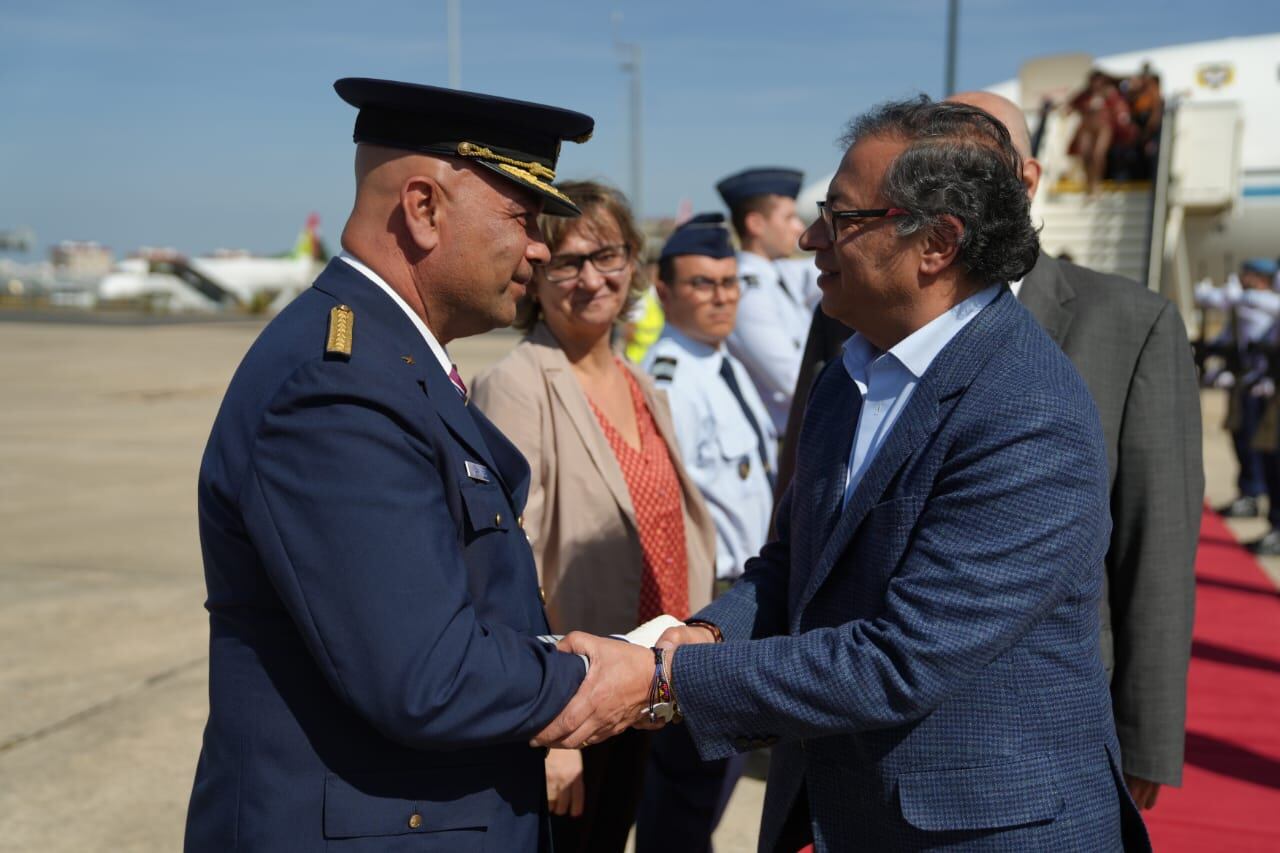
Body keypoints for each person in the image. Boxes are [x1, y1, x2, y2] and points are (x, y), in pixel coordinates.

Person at [536, 96, 1151, 852]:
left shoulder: (1025, 410)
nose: (808, 235)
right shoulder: (852, 373)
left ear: (937, 242)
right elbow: (792, 566)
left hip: (984, 829)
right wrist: (693, 636)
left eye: (843, 216)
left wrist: (666, 682)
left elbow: (901, 658)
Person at [183, 79, 599, 852]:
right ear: (422, 208)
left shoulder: (389, 361)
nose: (541, 247)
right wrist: (603, 679)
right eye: (521, 216)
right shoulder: (337, 386)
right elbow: (427, 676)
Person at [777, 90, 1203, 812]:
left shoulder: (1116, 331)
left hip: (998, 776)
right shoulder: (855, 335)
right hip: (842, 751)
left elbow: (1154, 546)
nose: (814, 240)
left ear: (1020, 181)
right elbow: (805, 536)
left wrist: (1144, 736)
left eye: (841, 218)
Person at [470, 180, 716, 853]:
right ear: (537, 272)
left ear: (632, 261)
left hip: (650, 688)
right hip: (579, 697)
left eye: (606, 255)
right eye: (567, 261)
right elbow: (503, 567)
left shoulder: (640, 384)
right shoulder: (518, 385)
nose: (590, 278)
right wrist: (549, 724)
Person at [634, 213, 776, 852]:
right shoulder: (670, 380)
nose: (721, 296)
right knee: (688, 793)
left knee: (717, 782)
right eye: (701, 284)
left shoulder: (726, 363)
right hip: (704, 605)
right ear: (663, 292)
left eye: (729, 282)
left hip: (745, 598)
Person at [717, 167, 821, 436]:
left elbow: (826, 269)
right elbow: (793, 381)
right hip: (783, 442)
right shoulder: (746, 293)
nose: (799, 227)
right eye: (788, 217)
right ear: (756, 224)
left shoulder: (779, 272)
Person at [1195, 258, 1280, 522]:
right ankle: (1250, 492)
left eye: (1249, 275)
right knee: (1243, 439)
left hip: (1266, 386)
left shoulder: (1262, 302)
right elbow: (1230, 334)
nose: (1244, 279)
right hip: (1249, 382)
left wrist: (1214, 293)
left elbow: (1221, 299)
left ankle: (1256, 495)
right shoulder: (1247, 303)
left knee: (1263, 447)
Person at [1068, 70, 1138, 195]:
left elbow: (1119, 107)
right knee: (1085, 155)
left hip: (1103, 128)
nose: (1096, 83)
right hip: (1086, 128)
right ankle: (1089, 183)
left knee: (1098, 155)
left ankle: (1096, 184)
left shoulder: (1108, 92)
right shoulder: (1084, 95)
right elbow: (1071, 105)